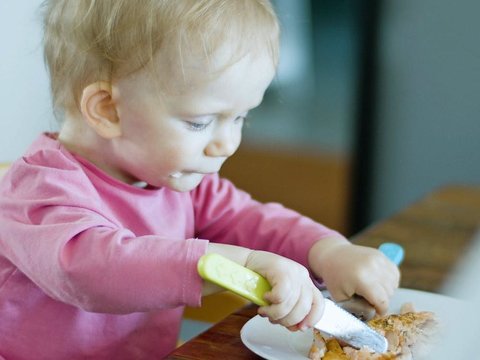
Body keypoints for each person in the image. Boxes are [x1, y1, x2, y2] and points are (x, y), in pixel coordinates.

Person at [0, 0, 400, 358]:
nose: (226, 143)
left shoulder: (178, 183)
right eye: (200, 122)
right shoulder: (38, 190)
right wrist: (225, 263)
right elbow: (92, 268)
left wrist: (328, 252)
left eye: (241, 118)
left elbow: (252, 221)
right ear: (107, 109)